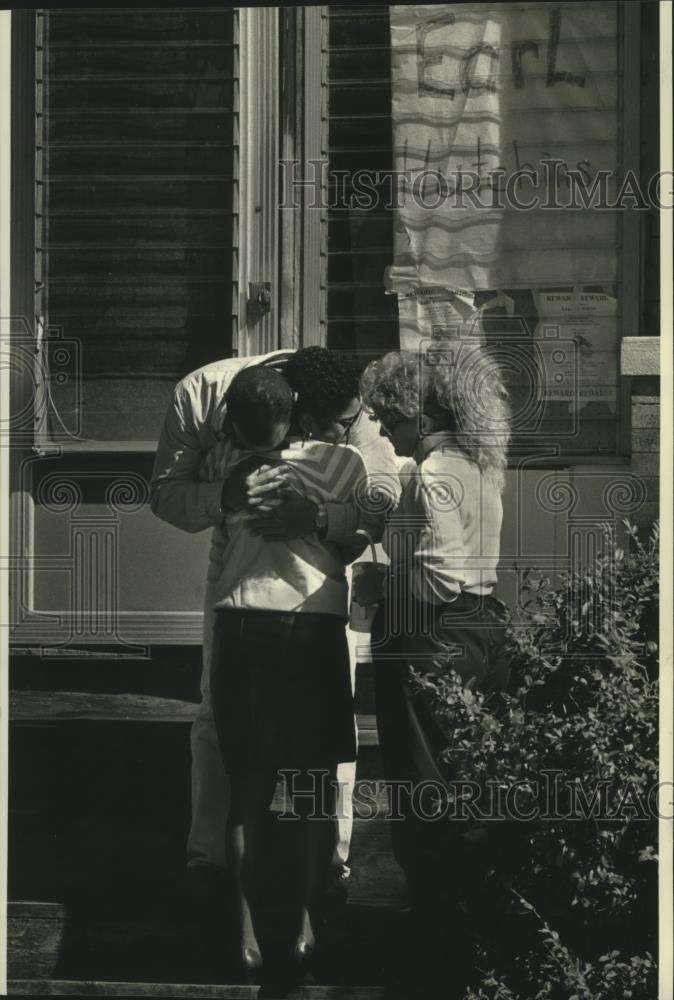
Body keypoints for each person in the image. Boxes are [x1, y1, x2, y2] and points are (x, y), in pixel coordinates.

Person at [149, 347, 399, 900]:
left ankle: (331, 861)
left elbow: (384, 502)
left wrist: (318, 516)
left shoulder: (349, 407)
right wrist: (227, 493)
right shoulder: (197, 395)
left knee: (335, 719)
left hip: (324, 572)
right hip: (238, 565)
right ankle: (209, 860)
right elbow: (166, 496)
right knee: (219, 706)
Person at [200, 364, 368, 972]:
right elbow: (357, 538)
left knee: (246, 788)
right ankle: (301, 922)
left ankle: (242, 932)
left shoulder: (231, 470)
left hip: (243, 625)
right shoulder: (341, 465)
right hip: (311, 626)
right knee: (312, 788)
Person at [358, 344, 512, 970]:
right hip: (482, 629)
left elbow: (440, 573)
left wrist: (382, 586)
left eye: (390, 421)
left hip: (430, 635)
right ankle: (469, 922)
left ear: (419, 417)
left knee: (423, 781)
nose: (389, 435)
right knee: (470, 777)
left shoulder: (429, 473)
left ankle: (435, 933)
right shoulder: (481, 468)